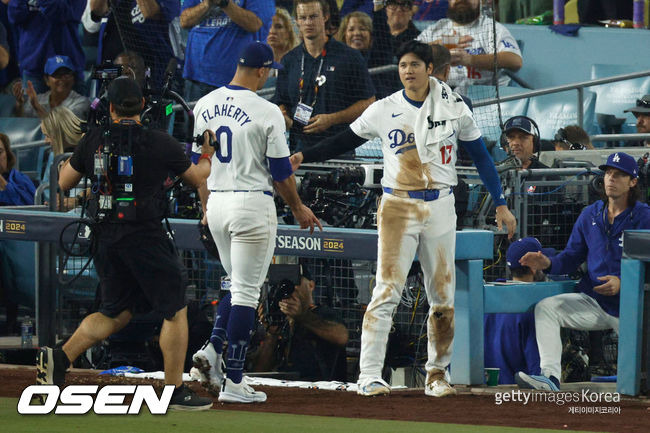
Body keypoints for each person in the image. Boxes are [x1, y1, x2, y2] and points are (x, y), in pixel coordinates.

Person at [291, 40, 517, 397]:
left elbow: (481, 157)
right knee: (387, 290)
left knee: (442, 297)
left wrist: (501, 203)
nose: (408, 71)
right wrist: (304, 154)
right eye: (402, 65)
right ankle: (368, 374)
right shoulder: (384, 109)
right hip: (398, 205)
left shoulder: (455, 106)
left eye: (414, 64)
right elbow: (342, 140)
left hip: (441, 205)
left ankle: (437, 374)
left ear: (430, 68)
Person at [40, 76, 213, 411]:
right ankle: (174, 391)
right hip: (145, 236)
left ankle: (60, 358)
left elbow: (63, 182)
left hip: (105, 237)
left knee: (115, 312)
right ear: (143, 106)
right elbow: (197, 177)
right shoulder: (160, 141)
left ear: (110, 107)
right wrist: (205, 153)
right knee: (175, 307)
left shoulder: (94, 139)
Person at [188, 41, 322, 404]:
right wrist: (297, 207)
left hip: (216, 201)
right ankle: (234, 382)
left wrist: (206, 208)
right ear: (262, 71)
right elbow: (279, 172)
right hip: (250, 205)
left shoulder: (204, 105)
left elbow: (199, 166)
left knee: (235, 284)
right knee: (247, 292)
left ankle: (213, 352)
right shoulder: (266, 111)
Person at [515, 152, 650, 391]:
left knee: (638, 383)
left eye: (619, 175)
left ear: (633, 182)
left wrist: (623, 282)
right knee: (546, 308)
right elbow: (571, 257)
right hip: (595, 301)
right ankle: (550, 378)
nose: (611, 179)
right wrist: (547, 263)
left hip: (634, 306)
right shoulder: (590, 214)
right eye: (608, 173)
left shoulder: (644, 216)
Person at [274, 0, 376, 153]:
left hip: (339, 149)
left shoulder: (349, 57)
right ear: (296, 21)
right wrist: (284, 116)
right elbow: (282, 101)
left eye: (313, 16)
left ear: (325, 17)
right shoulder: (289, 60)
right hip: (300, 149)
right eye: (303, 18)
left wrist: (332, 119)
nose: (308, 22)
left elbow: (369, 102)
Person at [253, 266, 349, 382]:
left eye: (294, 283)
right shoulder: (281, 321)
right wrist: (271, 334)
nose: (288, 289)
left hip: (320, 387)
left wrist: (302, 317)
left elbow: (342, 336)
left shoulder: (323, 314)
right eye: (282, 285)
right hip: (288, 386)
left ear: (311, 285)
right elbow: (259, 370)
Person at [416, 0, 522, 94]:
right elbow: (409, 54)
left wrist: (470, 59)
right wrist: (440, 44)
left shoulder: (492, 28)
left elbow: (515, 60)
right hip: (440, 97)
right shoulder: (436, 29)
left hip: (485, 99)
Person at [484, 237, 548, 385]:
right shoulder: (531, 310)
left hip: (481, 388)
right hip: (515, 395)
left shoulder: (486, 298)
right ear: (533, 268)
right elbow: (537, 374)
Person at [180, 0, 273, 102]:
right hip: (196, 75)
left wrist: (225, 3)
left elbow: (255, 24)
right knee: (195, 117)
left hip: (235, 79)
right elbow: (184, 21)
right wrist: (207, 3)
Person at [88, 0, 180, 91]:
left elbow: (150, 12)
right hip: (111, 68)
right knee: (103, 98)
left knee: (158, 103)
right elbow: (96, 11)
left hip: (151, 71)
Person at [7, 0, 85, 94]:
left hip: (67, 68)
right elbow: (14, 14)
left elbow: (60, 12)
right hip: (34, 66)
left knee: (72, 108)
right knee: (33, 107)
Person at [336, 11, 396, 98]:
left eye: (362, 29)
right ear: (344, 35)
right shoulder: (337, 59)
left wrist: (378, 7)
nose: (357, 33)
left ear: (371, 35)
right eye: (351, 29)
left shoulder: (379, 57)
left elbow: (382, 33)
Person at [12, 55, 89, 119]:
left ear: (73, 79)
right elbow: (22, 121)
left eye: (66, 74)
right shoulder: (38, 100)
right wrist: (20, 104)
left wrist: (37, 107)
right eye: (57, 75)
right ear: (47, 80)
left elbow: (61, 128)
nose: (62, 79)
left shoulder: (81, 103)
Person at [39, 106, 86, 206]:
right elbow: (51, 195)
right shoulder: (55, 157)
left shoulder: (90, 145)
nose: (45, 141)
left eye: (47, 135)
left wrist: (76, 200)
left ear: (58, 134)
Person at [0, 132, 35, 206]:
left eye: (0, 152)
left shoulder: (20, 179)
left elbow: (30, 210)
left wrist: (4, 184)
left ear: (7, 154)